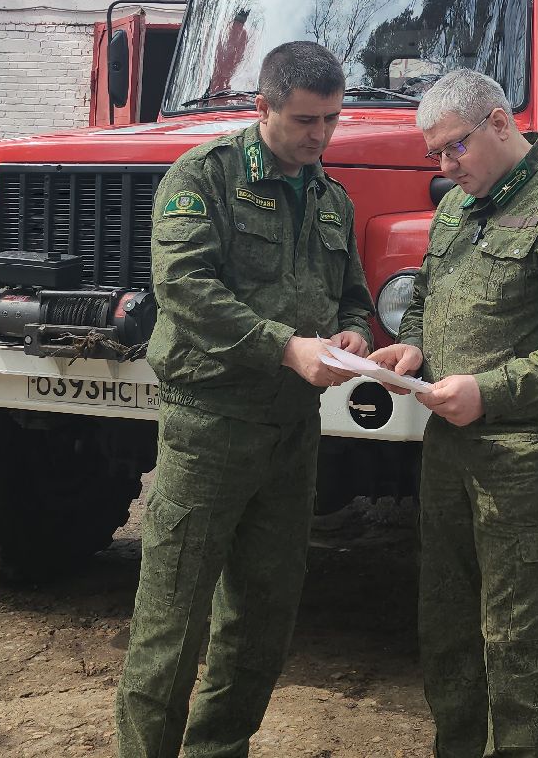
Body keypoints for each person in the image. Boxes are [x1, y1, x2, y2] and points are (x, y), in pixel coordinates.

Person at [114, 41, 373, 758]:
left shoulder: (331, 197)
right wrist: (285, 346)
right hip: (211, 427)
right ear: (262, 109)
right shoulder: (204, 179)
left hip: (293, 432)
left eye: (331, 119)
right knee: (172, 621)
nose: (319, 136)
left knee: (263, 619)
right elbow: (186, 289)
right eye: (304, 121)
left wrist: (352, 333)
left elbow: (351, 294)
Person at [370, 69, 538, 758]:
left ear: (498, 122)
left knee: (521, 643)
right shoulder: (457, 209)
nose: (445, 166)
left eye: (455, 148)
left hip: (526, 461)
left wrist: (492, 391)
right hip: (449, 454)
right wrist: (413, 347)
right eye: (434, 155)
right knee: (448, 633)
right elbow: (426, 297)